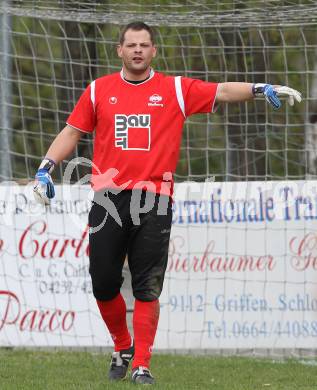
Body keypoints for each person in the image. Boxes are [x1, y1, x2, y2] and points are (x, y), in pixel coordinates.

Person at [33, 21, 301, 385]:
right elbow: (73, 131)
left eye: (144, 44)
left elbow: (220, 90)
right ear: (120, 51)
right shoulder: (99, 90)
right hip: (108, 197)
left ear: (154, 51)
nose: (138, 50)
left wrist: (258, 88)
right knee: (103, 281)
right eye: (131, 45)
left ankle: (142, 363)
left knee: (147, 284)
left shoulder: (174, 88)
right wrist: (47, 167)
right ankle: (122, 345)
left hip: (155, 199)